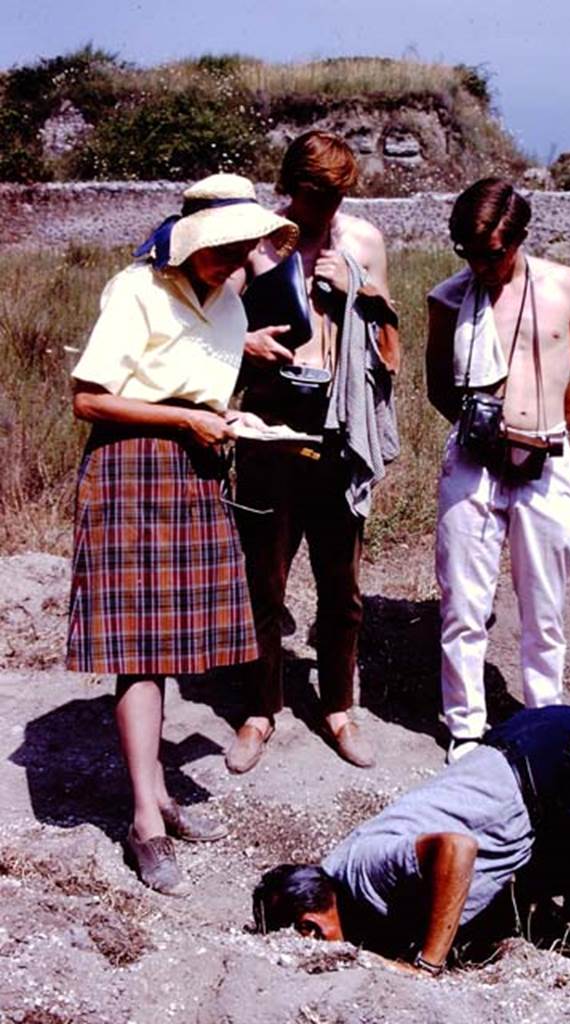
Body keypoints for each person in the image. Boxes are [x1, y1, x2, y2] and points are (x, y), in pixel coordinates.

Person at [66, 174, 298, 895]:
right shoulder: (135, 291)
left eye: (242, 250)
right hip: (132, 468)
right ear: (190, 241)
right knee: (139, 648)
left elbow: (201, 379)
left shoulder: (227, 301)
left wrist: (236, 401)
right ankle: (144, 821)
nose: (233, 263)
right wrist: (184, 420)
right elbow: (87, 398)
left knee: (170, 642)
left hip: (196, 469)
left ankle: (159, 789)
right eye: (221, 250)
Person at [253, 706, 570, 971]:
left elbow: (457, 849)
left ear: (308, 928)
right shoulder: (339, 874)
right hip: (534, 753)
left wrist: (428, 962)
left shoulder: (365, 870)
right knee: (534, 904)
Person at [225, 130, 400, 774]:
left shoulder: (363, 243)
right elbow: (216, 329)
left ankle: (337, 708)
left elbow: (389, 344)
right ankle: (260, 708)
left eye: (336, 198)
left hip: (338, 428)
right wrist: (247, 341)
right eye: (314, 197)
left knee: (342, 586)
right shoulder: (255, 242)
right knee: (262, 580)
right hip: (270, 427)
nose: (325, 211)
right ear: (291, 189)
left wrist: (366, 294)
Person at [426, 178, 570, 760]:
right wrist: (486, 437)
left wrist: (541, 436)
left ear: (518, 238)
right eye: (469, 253)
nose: (481, 265)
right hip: (475, 464)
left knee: (544, 605)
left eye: (492, 253)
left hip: (546, 458)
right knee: (464, 603)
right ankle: (466, 728)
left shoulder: (563, 286)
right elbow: (437, 385)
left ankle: (544, 718)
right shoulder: (449, 298)